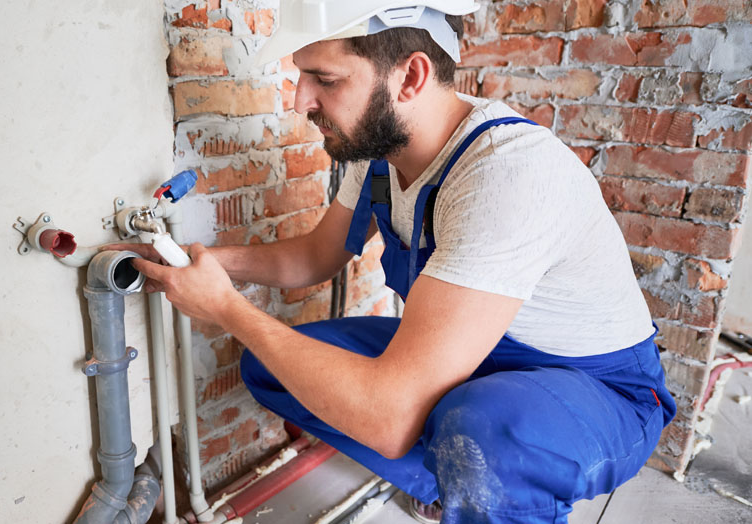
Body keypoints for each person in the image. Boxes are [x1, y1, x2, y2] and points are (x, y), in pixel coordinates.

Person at [119, 2, 677, 522]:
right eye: (302, 75)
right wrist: (199, 262)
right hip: (477, 359)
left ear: (410, 77)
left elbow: (387, 422)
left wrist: (226, 309)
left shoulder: (506, 173)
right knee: (274, 370)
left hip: (596, 386)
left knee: (482, 434)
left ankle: (480, 483)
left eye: (325, 80)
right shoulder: (381, 154)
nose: (300, 101)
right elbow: (314, 257)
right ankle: (450, 482)